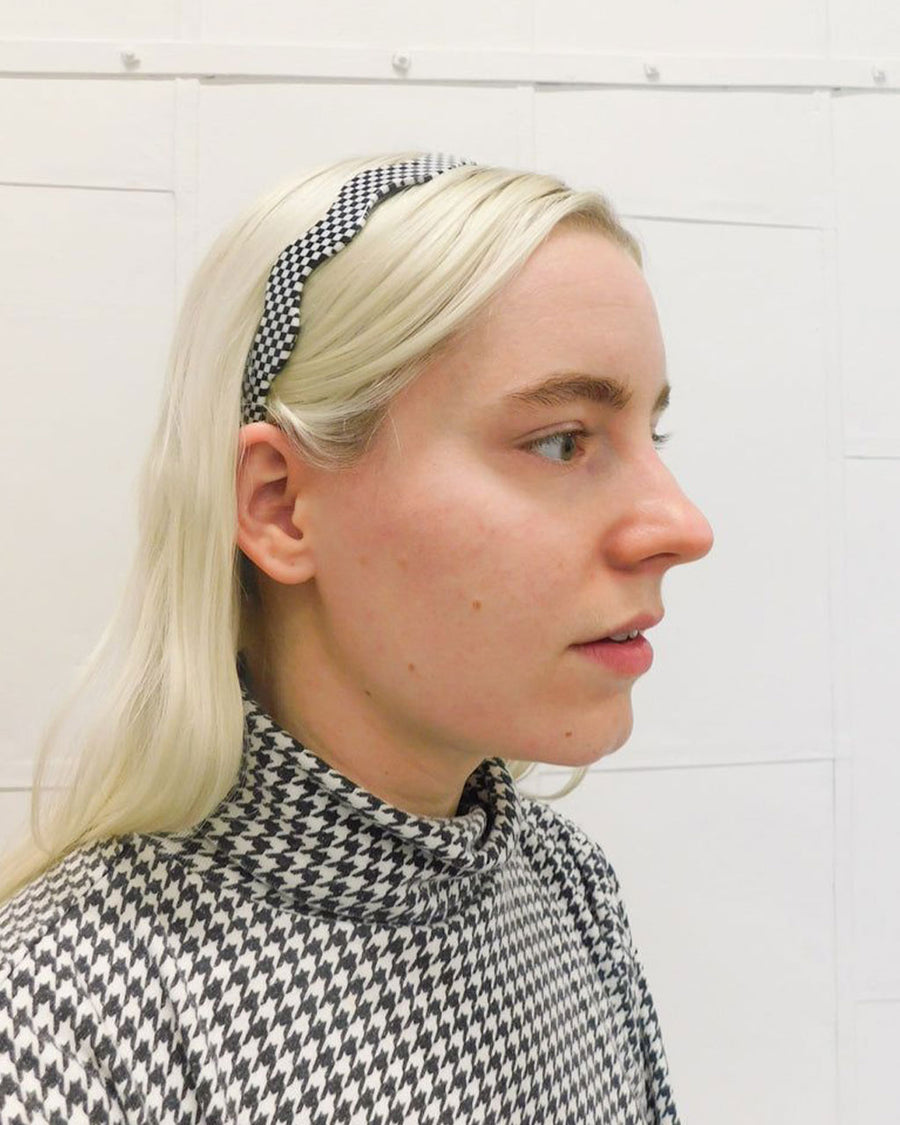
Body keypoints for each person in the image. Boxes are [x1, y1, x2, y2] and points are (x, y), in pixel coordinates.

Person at [0, 152, 713, 1123]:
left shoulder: (561, 889)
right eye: (562, 440)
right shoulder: (61, 1033)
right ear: (282, 506)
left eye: (650, 440)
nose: (680, 527)